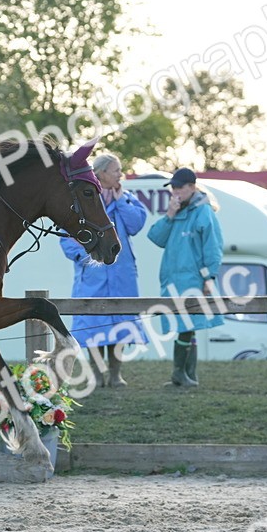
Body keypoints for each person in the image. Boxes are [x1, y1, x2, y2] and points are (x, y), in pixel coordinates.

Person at [60, 153, 147, 387]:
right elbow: (67, 237)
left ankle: (115, 374)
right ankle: (98, 375)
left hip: (122, 276)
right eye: (116, 170)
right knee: (94, 324)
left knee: (120, 324)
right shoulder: (84, 202)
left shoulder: (127, 199)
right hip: (92, 276)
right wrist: (82, 256)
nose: (121, 174)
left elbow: (136, 225)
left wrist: (120, 201)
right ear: (100, 174)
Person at [147, 167, 224, 388]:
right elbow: (156, 237)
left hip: (193, 279)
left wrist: (210, 276)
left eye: (179, 187)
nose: (175, 191)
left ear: (192, 187)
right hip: (172, 279)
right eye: (173, 187)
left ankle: (181, 374)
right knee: (186, 325)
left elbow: (213, 246)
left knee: (186, 325)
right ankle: (188, 375)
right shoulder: (177, 211)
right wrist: (169, 216)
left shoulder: (204, 212)